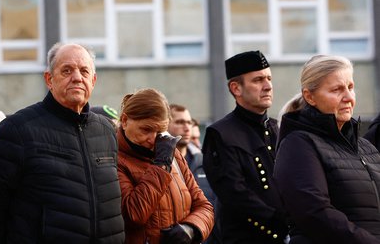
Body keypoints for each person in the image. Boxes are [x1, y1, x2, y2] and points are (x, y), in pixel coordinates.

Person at [0, 42, 125, 243]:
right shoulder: (17, 129)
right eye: (67, 70)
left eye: (84, 71)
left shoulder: (106, 130)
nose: (77, 78)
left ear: (94, 80)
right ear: (49, 79)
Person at [274, 55, 380, 242]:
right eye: (337, 90)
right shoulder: (298, 145)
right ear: (310, 97)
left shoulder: (366, 148)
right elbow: (314, 213)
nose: (348, 97)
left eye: (350, 87)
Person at [202, 50, 288, 243]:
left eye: (269, 78)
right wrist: (279, 220)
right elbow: (234, 193)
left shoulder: (279, 128)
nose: (268, 86)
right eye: (258, 80)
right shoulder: (221, 134)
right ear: (236, 88)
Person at [118, 89, 214, 244]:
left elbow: (205, 206)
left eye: (160, 131)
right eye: (146, 129)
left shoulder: (172, 154)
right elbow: (134, 215)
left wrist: (191, 228)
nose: (153, 140)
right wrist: (161, 165)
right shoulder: (114, 158)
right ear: (124, 120)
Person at [168, 104, 217, 209]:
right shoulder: (158, 163)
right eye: (179, 122)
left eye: (189, 123)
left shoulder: (204, 161)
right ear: (165, 125)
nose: (186, 128)